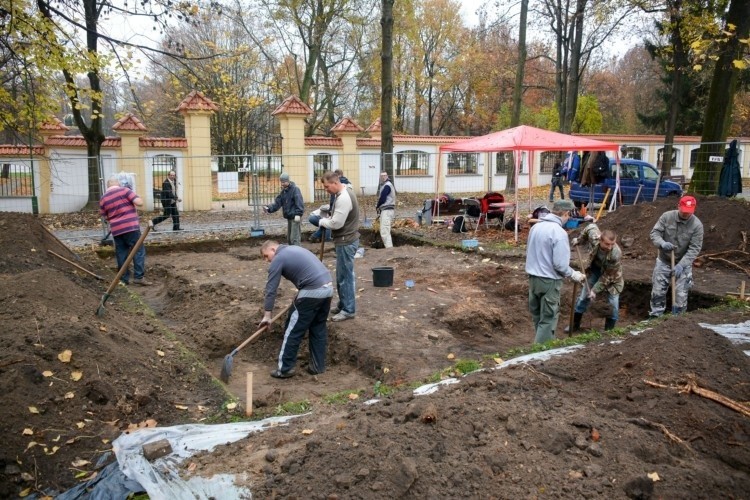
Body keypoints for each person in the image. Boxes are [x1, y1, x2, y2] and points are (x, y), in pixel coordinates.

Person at [259, 240, 333, 378]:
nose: (266, 260)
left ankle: (285, 369)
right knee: (318, 327)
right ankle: (317, 366)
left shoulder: (278, 258)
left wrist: (267, 315)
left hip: (312, 291)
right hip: (328, 288)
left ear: (273, 250)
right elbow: (308, 272)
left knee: (292, 330)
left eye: (266, 256)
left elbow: (271, 289)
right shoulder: (294, 249)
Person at [525, 199, 586, 344]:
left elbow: (529, 251)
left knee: (538, 317)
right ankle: (542, 351)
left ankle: (546, 341)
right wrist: (573, 274)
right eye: (569, 215)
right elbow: (560, 265)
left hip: (533, 279)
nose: (570, 218)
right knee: (548, 319)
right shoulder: (558, 232)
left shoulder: (536, 227)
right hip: (549, 281)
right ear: (565, 213)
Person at [649, 195, 704, 316]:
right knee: (658, 292)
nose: (685, 214)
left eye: (688, 212)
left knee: (680, 296)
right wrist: (662, 243)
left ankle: (678, 320)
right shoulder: (666, 217)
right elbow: (655, 233)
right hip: (664, 261)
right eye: (684, 211)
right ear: (678, 206)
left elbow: (694, 249)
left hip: (683, 264)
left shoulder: (697, 226)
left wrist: (681, 265)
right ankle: (655, 317)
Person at [318, 170, 360, 322]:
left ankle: (348, 310)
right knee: (341, 275)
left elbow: (336, 223)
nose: (326, 190)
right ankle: (343, 304)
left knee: (345, 277)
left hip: (346, 240)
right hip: (346, 239)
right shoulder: (343, 192)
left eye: (327, 187)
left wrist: (322, 221)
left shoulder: (343, 198)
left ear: (336, 183)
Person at [568, 223, 624, 332]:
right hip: (595, 271)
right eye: (607, 244)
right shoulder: (595, 238)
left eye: (612, 244)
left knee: (613, 303)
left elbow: (608, 276)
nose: (610, 247)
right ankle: (574, 325)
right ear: (600, 240)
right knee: (583, 297)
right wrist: (579, 240)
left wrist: (594, 290)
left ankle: (609, 331)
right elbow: (590, 226)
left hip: (612, 277)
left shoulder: (615, 254)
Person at [99, 177, 153, 286]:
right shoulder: (125, 190)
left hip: (116, 230)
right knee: (138, 250)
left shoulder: (103, 198)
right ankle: (138, 277)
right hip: (131, 227)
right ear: (118, 184)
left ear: (108, 186)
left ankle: (123, 279)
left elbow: (104, 216)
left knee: (121, 253)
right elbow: (139, 203)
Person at [264, 173, 304, 246]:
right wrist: (269, 208)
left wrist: (298, 213)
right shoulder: (283, 192)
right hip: (289, 217)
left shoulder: (295, 190)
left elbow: (299, 202)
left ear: (288, 181)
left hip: (295, 217)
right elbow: (277, 203)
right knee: (289, 238)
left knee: (294, 238)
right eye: (281, 182)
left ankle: (297, 254)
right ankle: (292, 253)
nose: (282, 183)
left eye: (284, 182)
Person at [375, 170, 396, 248]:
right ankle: (389, 248)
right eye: (382, 176)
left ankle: (389, 249)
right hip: (388, 210)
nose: (383, 177)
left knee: (384, 231)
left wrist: (377, 206)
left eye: (384, 175)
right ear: (380, 177)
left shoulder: (387, 185)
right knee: (385, 230)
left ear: (387, 176)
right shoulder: (385, 185)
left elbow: (383, 198)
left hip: (387, 210)